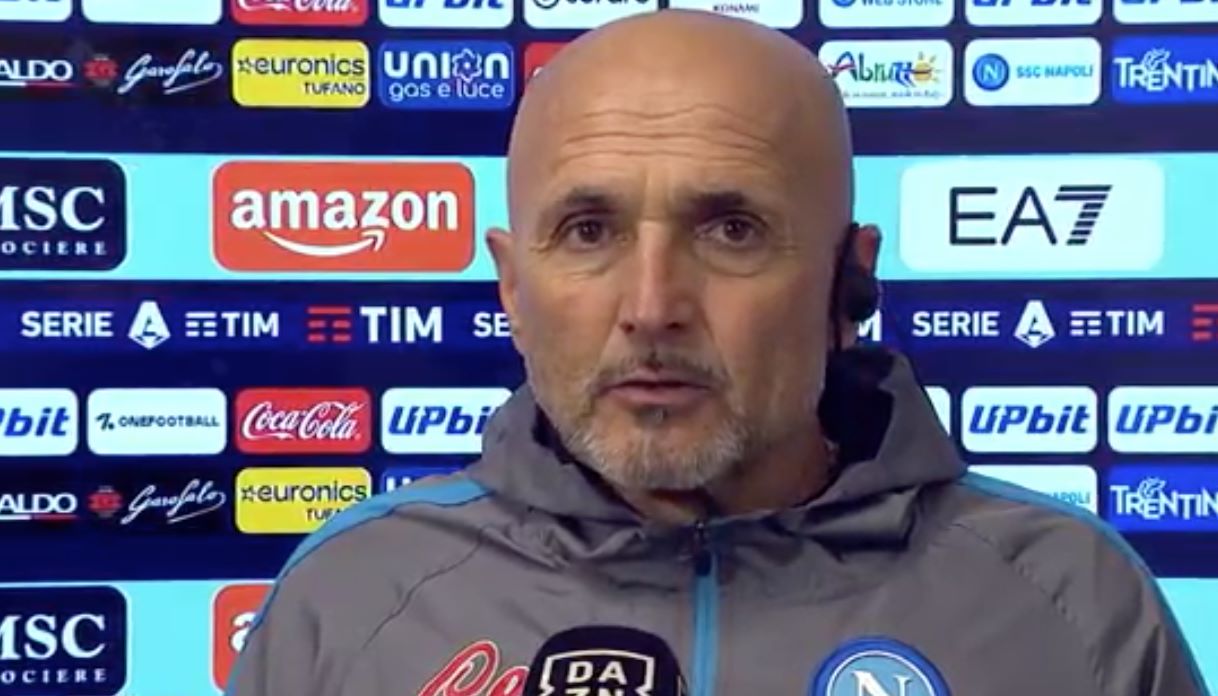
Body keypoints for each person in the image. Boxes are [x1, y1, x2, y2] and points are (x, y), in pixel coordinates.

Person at [226, 10, 1209, 696]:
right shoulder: (352, 602)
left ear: (847, 283)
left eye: (732, 230)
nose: (652, 308)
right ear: (513, 291)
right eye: (588, 231)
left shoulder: (1071, 602)